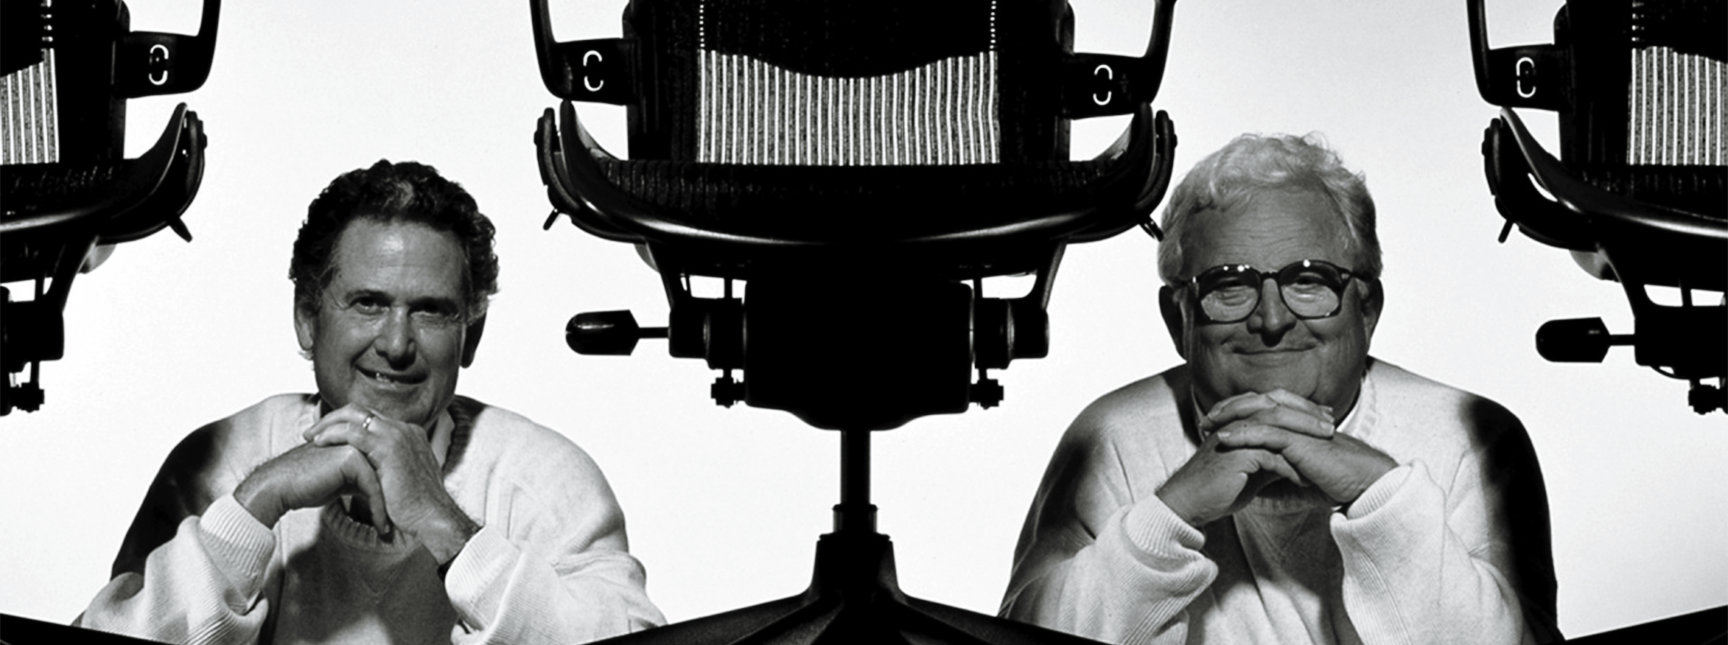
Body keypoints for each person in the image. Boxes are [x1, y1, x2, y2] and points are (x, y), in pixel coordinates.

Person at [999, 134, 1560, 644]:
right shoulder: (1111, 437)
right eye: (1229, 286)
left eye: (1309, 281)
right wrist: (1172, 513)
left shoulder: (1469, 435)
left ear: (1367, 309)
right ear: (1178, 319)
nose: (1271, 319)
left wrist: (1378, 495)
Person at [77, 161, 665, 644]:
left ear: (472, 335)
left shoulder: (545, 480)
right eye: (368, 304)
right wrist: (256, 504)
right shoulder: (222, 459)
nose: (397, 343)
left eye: (431, 311)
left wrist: (450, 529)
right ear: (308, 318)